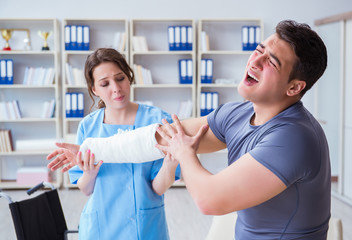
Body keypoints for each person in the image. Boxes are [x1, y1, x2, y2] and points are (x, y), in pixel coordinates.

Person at [47, 20, 330, 239]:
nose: (255, 61)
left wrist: (183, 153)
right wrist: (91, 149)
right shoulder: (239, 113)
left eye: (271, 62)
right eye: (259, 50)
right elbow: (164, 135)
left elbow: (210, 199)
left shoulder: (294, 137)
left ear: (294, 87)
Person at [54, 48, 180, 240]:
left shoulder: (156, 121)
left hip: (145, 226)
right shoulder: (88, 127)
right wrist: (89, 172)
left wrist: (170, 164)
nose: (116, 88)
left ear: (129, 77)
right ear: (94, 90)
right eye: (105, 84)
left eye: (120, 78)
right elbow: (86, 189)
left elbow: (157, 188)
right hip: (101, 227)